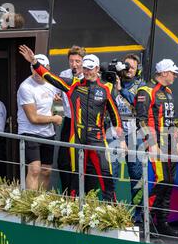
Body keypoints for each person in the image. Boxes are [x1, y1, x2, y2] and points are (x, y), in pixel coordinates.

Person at [19, 45, 126, 201]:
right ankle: (73, 209)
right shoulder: (72, 84)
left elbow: (115, 114)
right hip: (76, 137)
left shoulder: (105, 89)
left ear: (97, 69)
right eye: (85, 68)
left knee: (105, 175)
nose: (87, 72)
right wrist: (35, 62)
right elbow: (50, 77)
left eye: (90, 68)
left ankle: (112, 208)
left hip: (97, 139)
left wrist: (121, 139)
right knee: (75, 175)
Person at [135, 59, 178, 237]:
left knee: (169, 182)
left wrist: (177, 140)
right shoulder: (146, 91)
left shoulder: (168, 91)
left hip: (170, 144)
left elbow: (171, 119)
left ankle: (162, 222)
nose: (175, 75)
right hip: (156, 144)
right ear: (163, 73)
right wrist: (151, 143)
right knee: (161, 181)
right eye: (173, 72)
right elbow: (140, 119)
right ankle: (146, 222)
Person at [17, 53, 63, 190]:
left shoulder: (52, 84)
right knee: (34, 169)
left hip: (48, 133)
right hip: (29, 132)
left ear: (47, 68)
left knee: (46, 171)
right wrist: (54, 118)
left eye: (40, 68)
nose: (37, 72)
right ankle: (30, 206)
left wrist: (57, 108)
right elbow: (33, 118)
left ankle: (40, 203)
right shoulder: (25, 87)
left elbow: (58, 106)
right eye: (34, 68)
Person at [112, 53, 145, 222]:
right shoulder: (113, 82)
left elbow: (138, 104)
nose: (129, 69)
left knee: (137, 174)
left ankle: (138, 214)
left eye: (132, 66)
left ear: (138, 68)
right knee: (112, 172)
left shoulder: (141, 85)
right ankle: (110, 209)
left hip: (134, 131)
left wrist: (121, 90)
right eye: (126, 66)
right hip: (116, 131)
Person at [57, 45, 85, 195]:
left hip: (84, 123)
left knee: (81, 161)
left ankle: (80, 196)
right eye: (71, 61)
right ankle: (67, 194)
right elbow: (55, 91)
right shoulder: (64, 74)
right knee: (63, 160)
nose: (74, 65)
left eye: (78, 61)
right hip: (68, 121)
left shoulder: (89, 75)